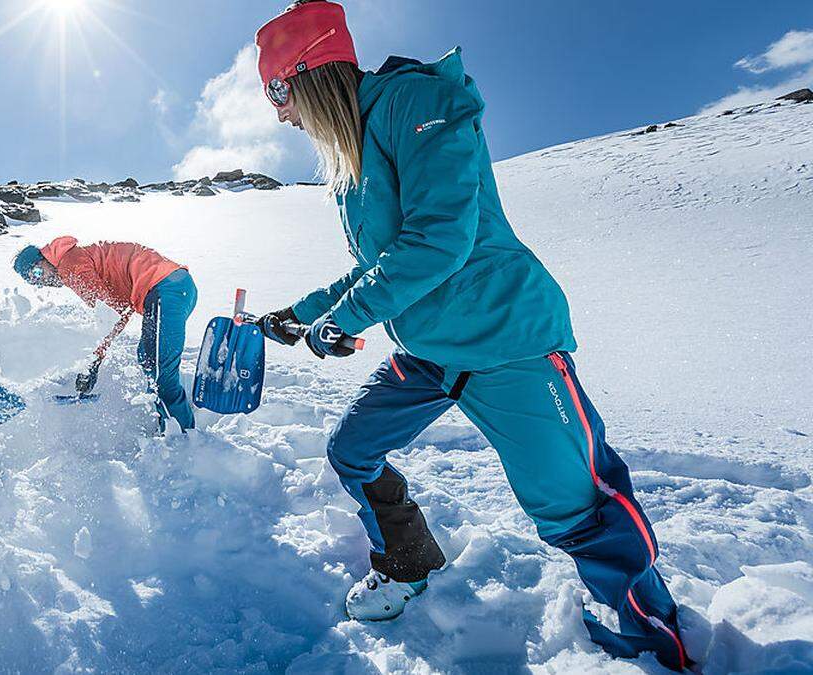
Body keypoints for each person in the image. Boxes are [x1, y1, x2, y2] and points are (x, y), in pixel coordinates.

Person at [252, 1, 689, 669]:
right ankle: (408, 560)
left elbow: (439, 240)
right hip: (430, 352)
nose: (279, 111)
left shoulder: (416, 103)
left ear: (312, 73)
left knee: (576, 506)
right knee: (353, 450)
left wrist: (341, 321)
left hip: (505, 339)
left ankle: (654, 637)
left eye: (279, 89)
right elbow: (378, 264)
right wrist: (297, 313)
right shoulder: (354, 159)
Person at [14, 237, 197, 432]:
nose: (43, 280)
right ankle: (171, 417)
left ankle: (183, 438)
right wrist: (98, 356)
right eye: (35, 280)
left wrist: (93, 361)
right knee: (147, 358)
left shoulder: (69, 264)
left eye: (37, 272)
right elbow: (118, 311)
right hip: (174, 287)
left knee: (161, 374)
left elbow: (106, 313)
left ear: (44, 257)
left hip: (165, 288)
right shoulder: (77, 258)